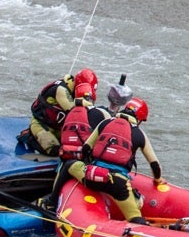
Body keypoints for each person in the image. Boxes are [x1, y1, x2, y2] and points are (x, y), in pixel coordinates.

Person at [64, 96, 162, 225]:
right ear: (139, 119)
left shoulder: (105, 123)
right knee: (136, 219)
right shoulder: (139, 134)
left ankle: (50, 202)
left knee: (68, 165)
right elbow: (155, 165)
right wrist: (158, 180)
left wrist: (88, 165)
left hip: (92, 177)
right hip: (117, 184)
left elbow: (86, 148)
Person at [24, 68, 97, 156]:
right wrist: (81, 103)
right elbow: (73, 110)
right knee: (55, 150)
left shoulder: (75, 92)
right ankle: (30, 137)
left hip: (59, 127)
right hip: (41, 124)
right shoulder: (61, 89)